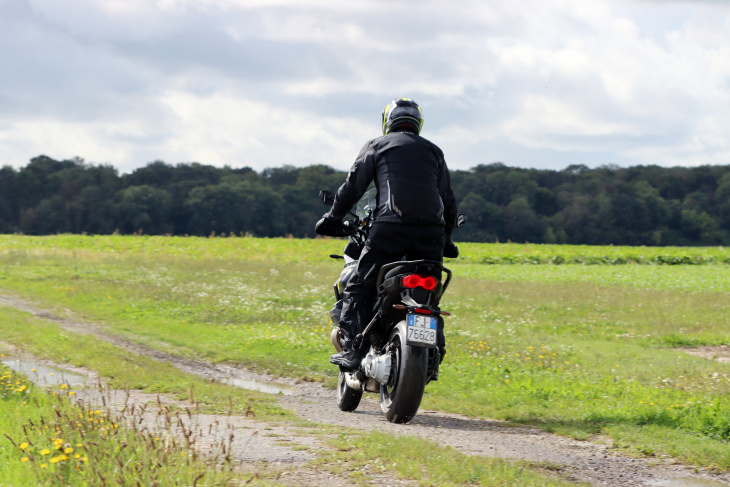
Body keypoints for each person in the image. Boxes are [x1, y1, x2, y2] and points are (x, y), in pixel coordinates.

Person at [316, 98, 458, 371]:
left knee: (360, 284)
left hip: (389, 228)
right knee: (429, 294)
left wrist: (332, 218)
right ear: (419, 123)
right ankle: (433, 352)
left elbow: (353, 186)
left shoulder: (377, 145)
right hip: (432, 234)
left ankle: (354, 352)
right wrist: (448, 239)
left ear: (387, 122)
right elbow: (447, 199)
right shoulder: (433, 151)